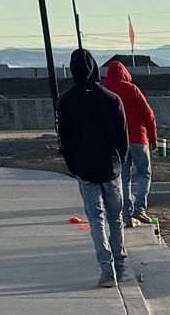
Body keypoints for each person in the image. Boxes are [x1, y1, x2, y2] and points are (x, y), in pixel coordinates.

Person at [56, 48, 129, 286]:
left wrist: (73, 166)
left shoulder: (65, 101)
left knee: (96, 220)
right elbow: (123, 138)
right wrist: (120, 160)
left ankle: (107, 272)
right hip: (110, 167)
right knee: (115, 218)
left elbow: (65, 140)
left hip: (85, 168)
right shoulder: (111, 99)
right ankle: (121, 265)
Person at [103, 56, 158, 226]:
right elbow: (148, 115)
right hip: (139, 139)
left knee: (124, 177)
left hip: (119, 144)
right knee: (144, 173)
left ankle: (127, 215)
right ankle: (139, 208)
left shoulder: (105, 92)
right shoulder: (133, 89)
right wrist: (153, 137)